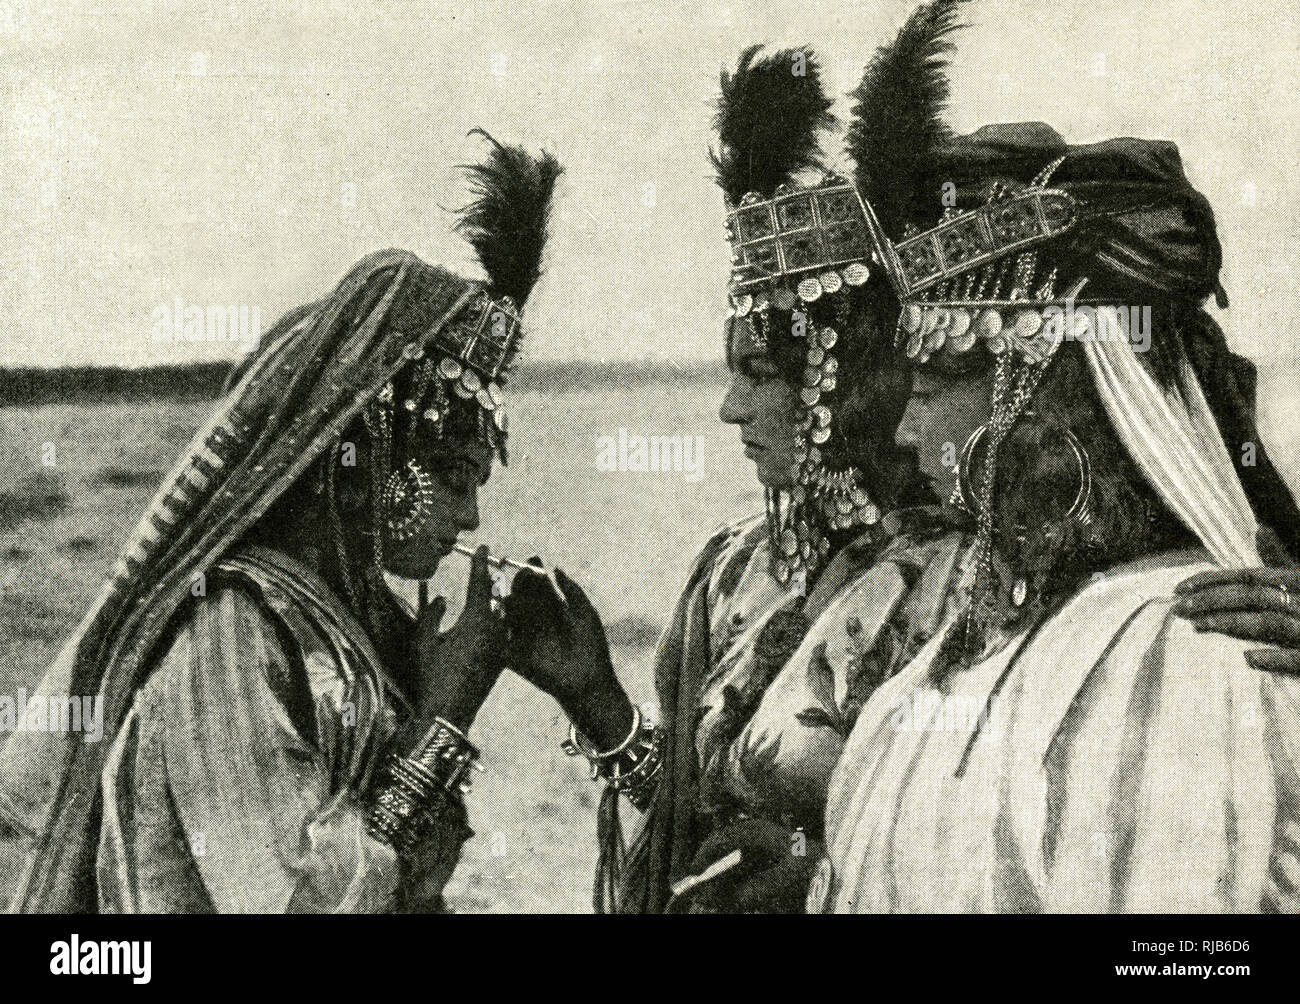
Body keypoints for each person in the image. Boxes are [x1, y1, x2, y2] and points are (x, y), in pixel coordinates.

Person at [813, 4, 1300, 912]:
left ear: (1042, 393)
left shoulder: (1192, 649)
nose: (905, 435)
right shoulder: (952, 661)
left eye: (936, 385)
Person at [0, 134, 562, 913]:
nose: (471, 515)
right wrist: (443, 715)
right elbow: (301, 904)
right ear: (364, 462)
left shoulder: (338, 628)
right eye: (456, 477)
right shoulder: (233, 635)